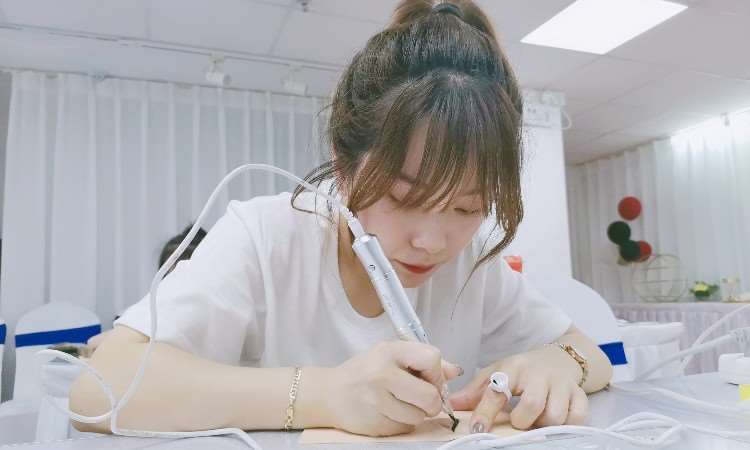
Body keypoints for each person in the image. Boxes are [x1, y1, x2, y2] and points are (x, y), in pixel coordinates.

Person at [70, 0, 612, 437]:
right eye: (403, 197)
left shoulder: (472, 266)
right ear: (343, 164)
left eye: (469, 208)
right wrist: (325, 395)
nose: (432, 241)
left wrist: (559, 365)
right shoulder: (265, 237)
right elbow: (98, 388)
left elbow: (593, 353)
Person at [84, 224, 207, 353]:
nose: (175, 284)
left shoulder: (203, 320)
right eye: (169, 277)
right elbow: (94, 343)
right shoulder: (155, 313)